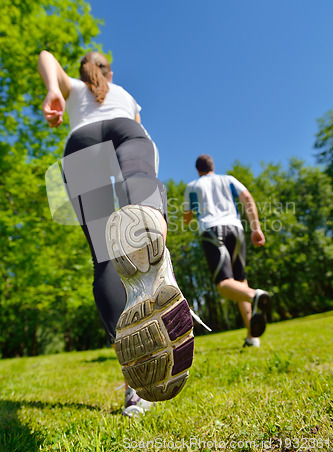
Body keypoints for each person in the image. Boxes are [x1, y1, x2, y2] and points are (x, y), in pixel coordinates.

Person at [38, 50, 194, 414]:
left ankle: (133, 381)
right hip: (129, 132)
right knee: (139, 182)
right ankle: (150, 220)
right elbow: (142, 133)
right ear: (110, 69)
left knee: (105, 260)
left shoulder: (74, 87)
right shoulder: (125, 95)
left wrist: (52, 90)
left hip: (80, 142)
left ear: (81, 71)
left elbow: (46, 55)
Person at [183, 154, 270, 347]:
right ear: (213, 166)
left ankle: (256, 295)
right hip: (236, 229)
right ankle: (252, 338)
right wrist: (256, 228)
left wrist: (187, 217)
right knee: (240, 282)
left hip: (212, 230)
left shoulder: (193, 186)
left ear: (198, 170)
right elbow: (247, 198)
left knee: (224, 285)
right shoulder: (228, 179)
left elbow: (187, 216)